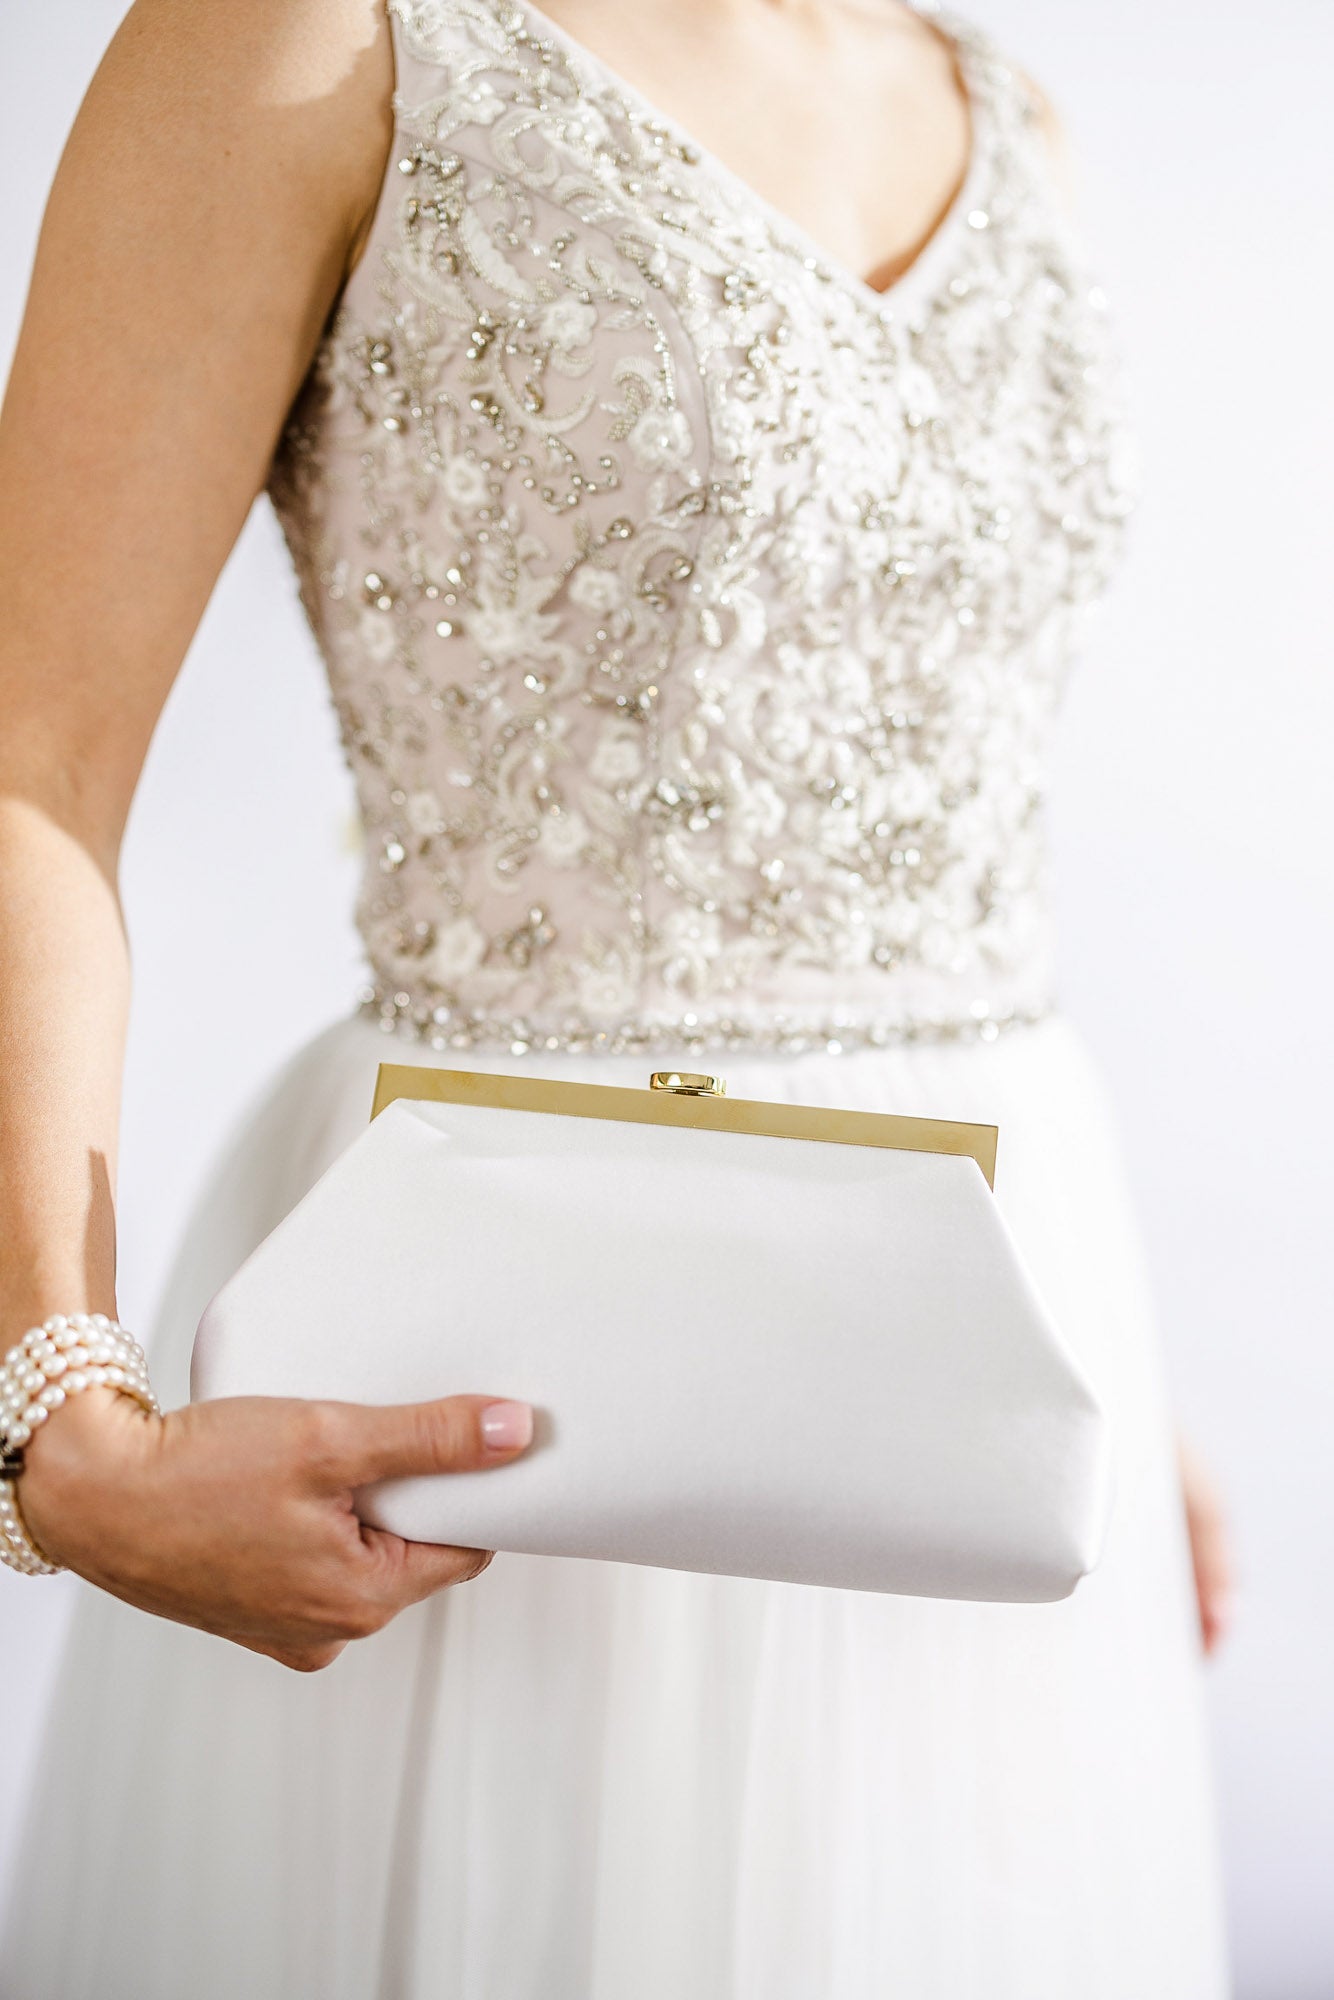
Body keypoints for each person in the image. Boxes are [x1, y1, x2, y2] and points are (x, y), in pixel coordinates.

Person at [0, 0, 1234, 1992]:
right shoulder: (307, 39)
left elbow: (933, 768)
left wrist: (1099, 1371)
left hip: (989, 1342)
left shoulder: (1006, 107)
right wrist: (64, 1420)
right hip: (510, 1335)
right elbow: (27, 760)